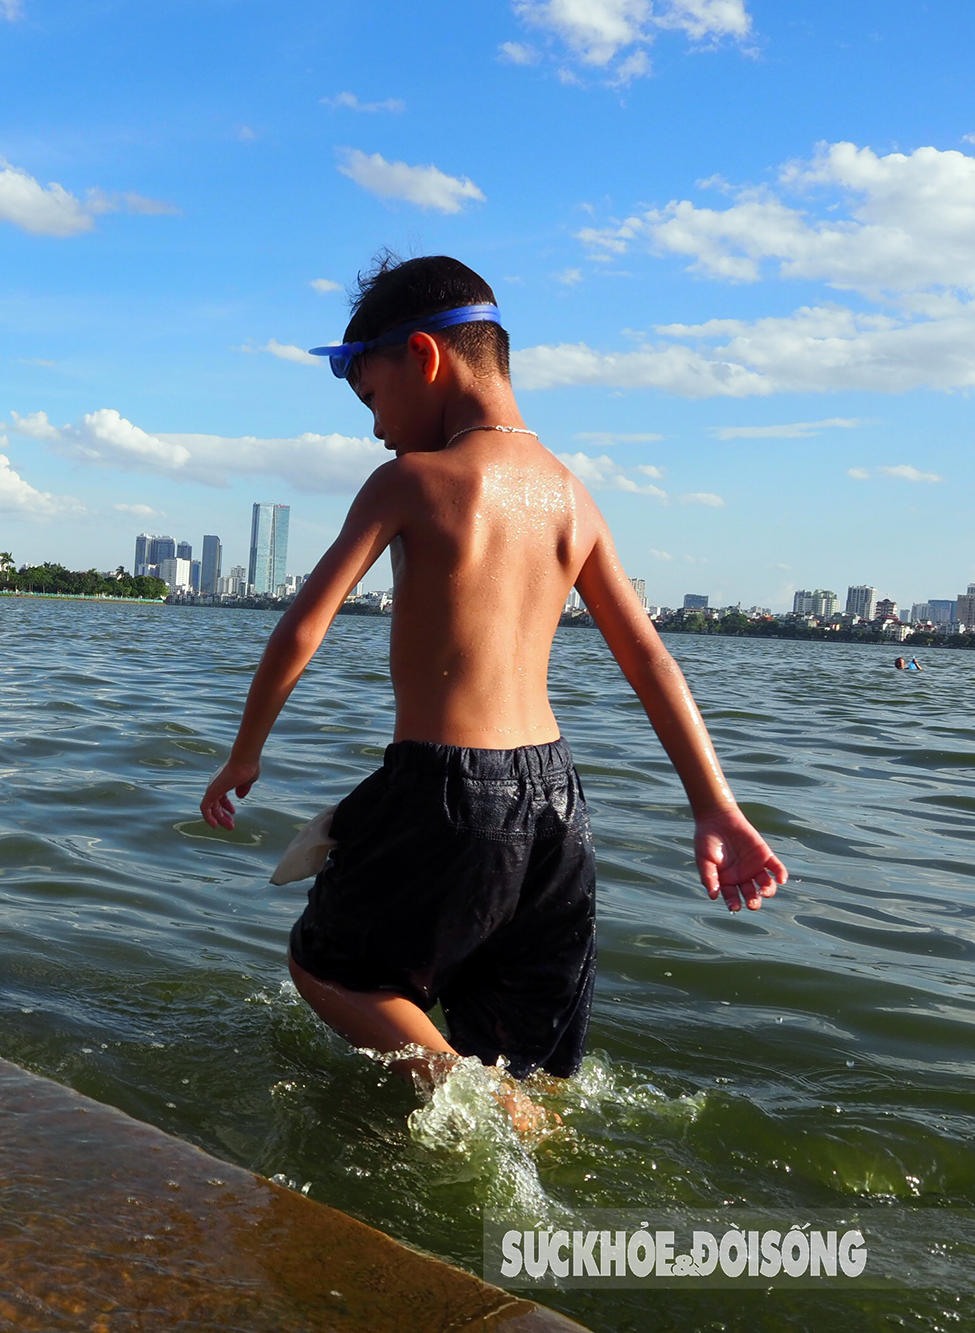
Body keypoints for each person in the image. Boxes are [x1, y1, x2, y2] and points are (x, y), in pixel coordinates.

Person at [199, 254, 787, 1087]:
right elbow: (650, 659)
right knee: (522, 1061)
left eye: (372, 399)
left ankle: (469, 1099)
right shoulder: (572, 496)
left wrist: (246, 752)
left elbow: (302, 627)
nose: (374, 428)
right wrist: (714, 803)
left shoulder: (410, 480)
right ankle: (508, 1117)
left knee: (328, 966)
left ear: (426, 358)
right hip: (557, 805)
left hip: (446, 789)